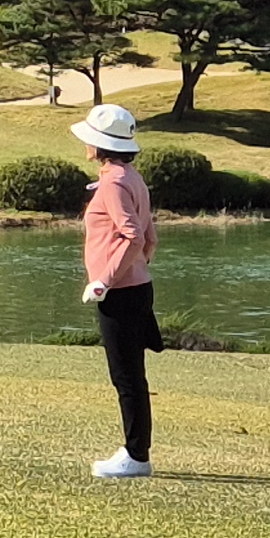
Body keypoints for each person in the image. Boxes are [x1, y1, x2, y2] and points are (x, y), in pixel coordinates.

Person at [74, 103, 162, 478]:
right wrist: (135, 269)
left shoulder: (112, 182)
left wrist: (104, 280)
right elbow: (149, 239)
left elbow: (133, 234)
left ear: (99, 145)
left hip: (120, 292)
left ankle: (136, 455)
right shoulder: (131, 177)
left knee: (125, 377)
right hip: (136, 286)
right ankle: (136, 451)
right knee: (131, 375)